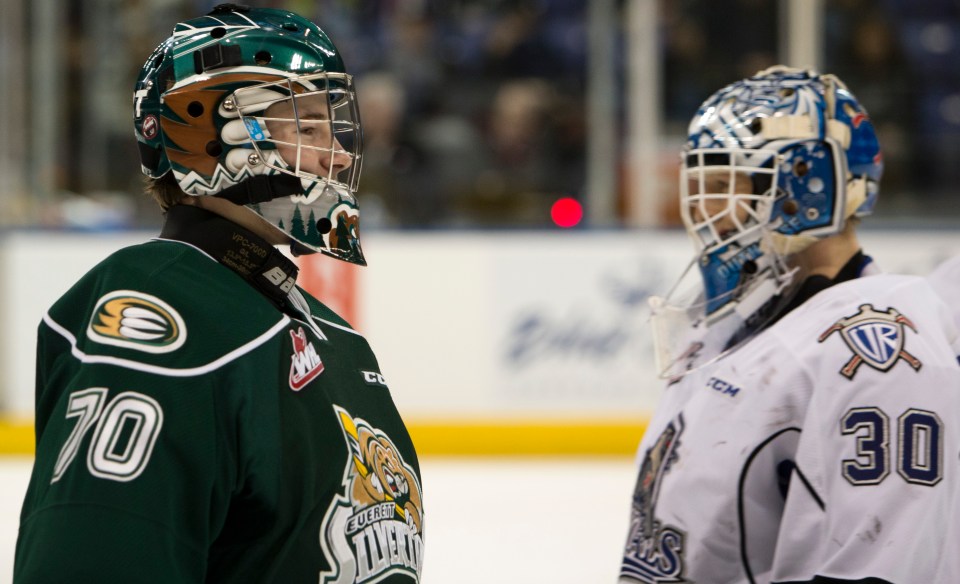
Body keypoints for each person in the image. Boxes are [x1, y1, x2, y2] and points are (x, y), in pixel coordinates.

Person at [15, 5, 424, 583]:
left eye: (331, 126)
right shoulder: (163, 315)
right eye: (306, 126)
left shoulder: (333, 338)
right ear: (211, 136)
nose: (336, 153)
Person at [618, 66, 960, 583]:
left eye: (723, 183)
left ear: (808, 184)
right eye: (701, 186)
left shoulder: (878, 356)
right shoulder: (736, 324)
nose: (704, 210)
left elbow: (881, 565)